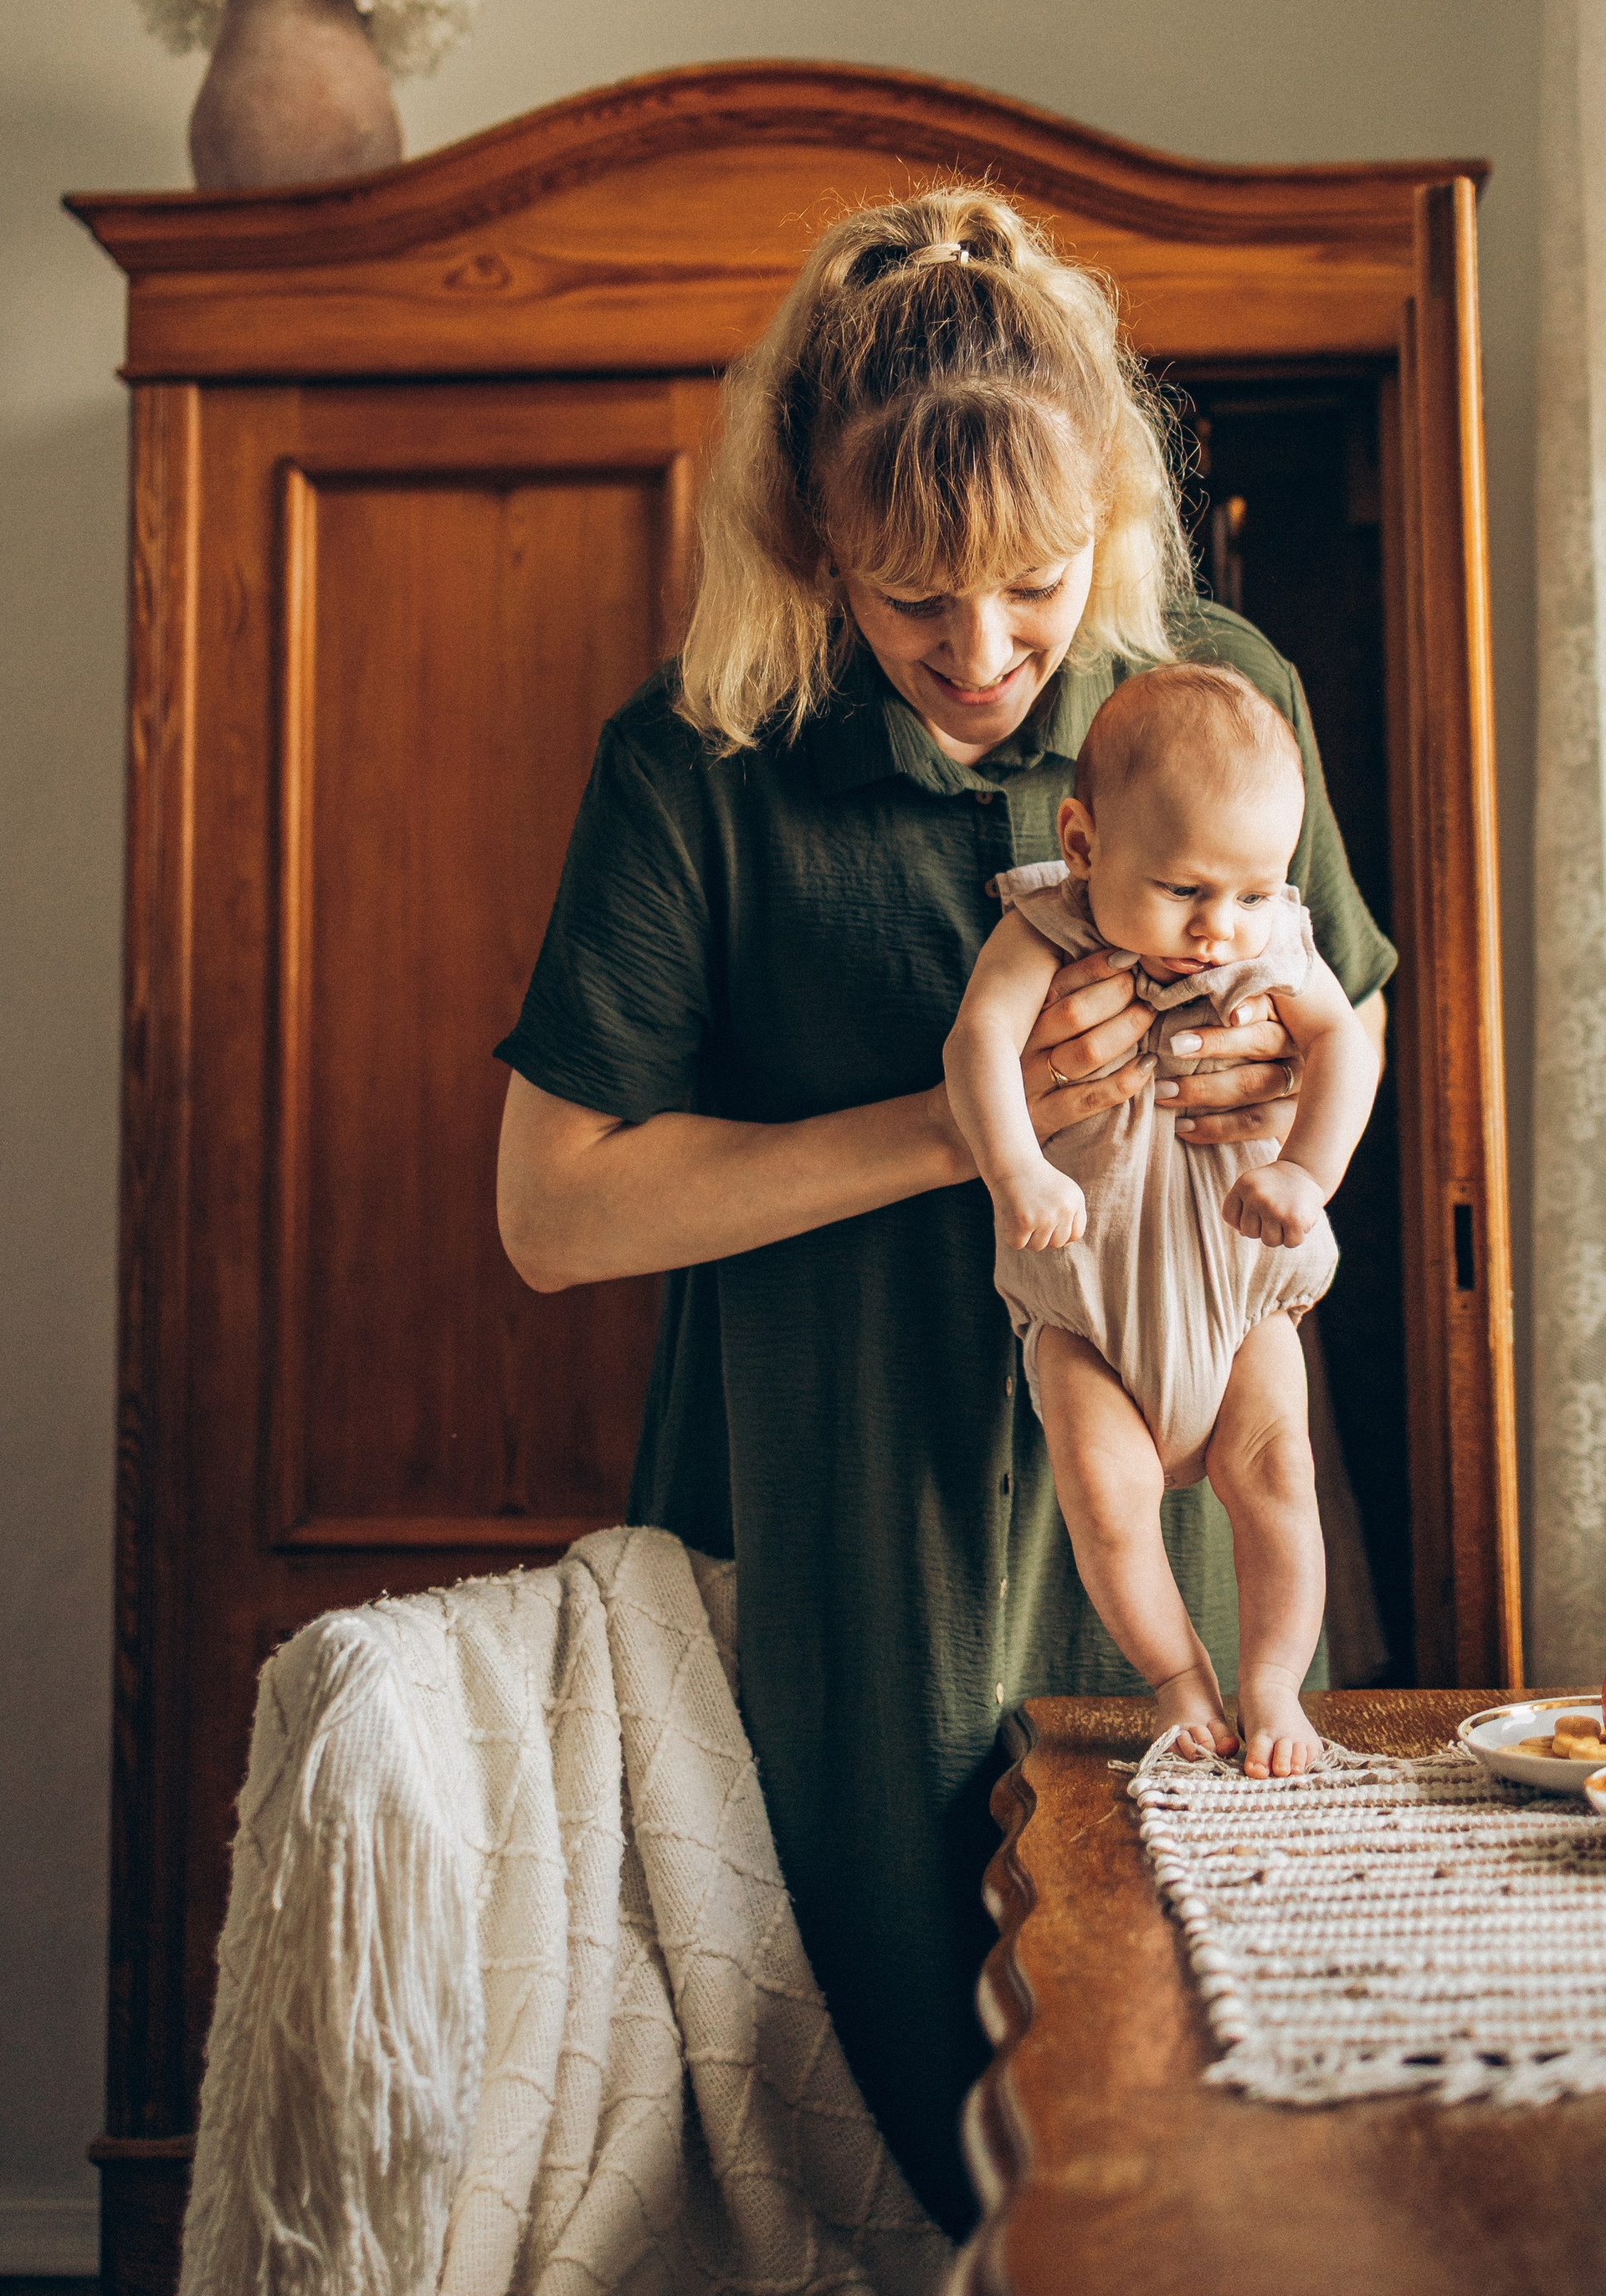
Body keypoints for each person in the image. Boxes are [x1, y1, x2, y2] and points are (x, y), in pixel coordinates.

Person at [494, 186, 1396, 2240]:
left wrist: (1279, 1090)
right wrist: (950, 1123)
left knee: (1186, 2125)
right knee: (838, 2127)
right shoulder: (699, 756)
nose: (981, 652)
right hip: (829, 1531)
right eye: (911, 600)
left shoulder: (1215, 688)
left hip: (1174, 1466)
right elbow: (550, 1213)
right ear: (812, 546)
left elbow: (1334, 1019)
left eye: (1033, 588)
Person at [942, 661, 1381, 1776]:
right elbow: (978, 1046)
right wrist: (1015, 1172)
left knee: (1279, 1477)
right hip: (1085, 1304)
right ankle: (1181, 1681)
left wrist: (1305, 1176)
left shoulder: (1270, 937)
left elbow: (1345, 1043)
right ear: (1084, 845)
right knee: (1107, 1493)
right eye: (1186, 891)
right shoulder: (1044, 924)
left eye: (1251, 890)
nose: (1219, 929)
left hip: (1239, 1298)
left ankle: (1273, 1684)